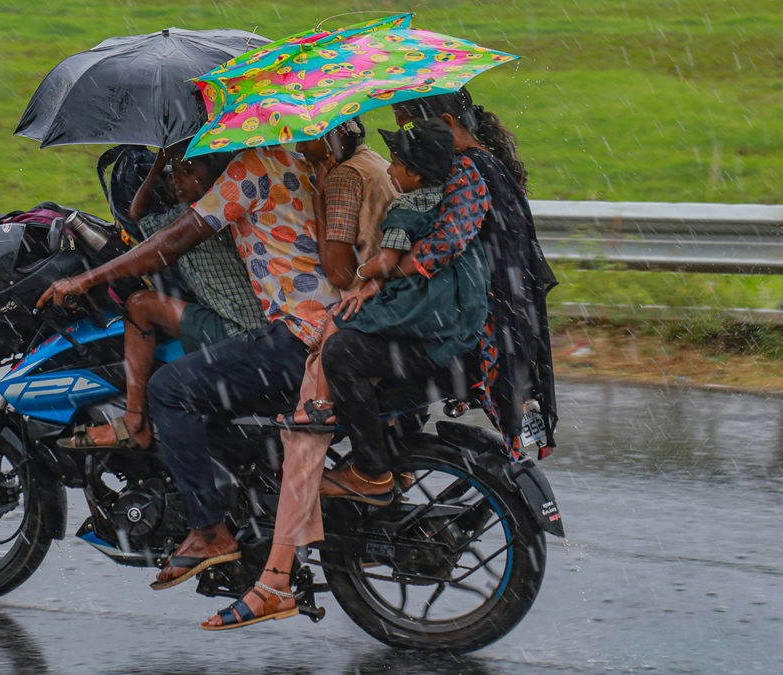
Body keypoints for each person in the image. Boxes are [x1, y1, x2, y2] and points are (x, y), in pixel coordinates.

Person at [36, 144, 340, 618]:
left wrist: (88, 280)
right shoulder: (289, 157)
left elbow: (172, 242)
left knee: (169, 390)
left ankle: (210, 531)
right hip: (327, 325)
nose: (179, 174)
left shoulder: (248, 171)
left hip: (296, 335)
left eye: (187, 164)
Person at [203, 120, 398, 630]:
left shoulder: (340, 180)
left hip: (357, 312)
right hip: (393, 310)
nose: (296, 143)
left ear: (332, 137)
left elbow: (336, 269)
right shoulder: (372, 162)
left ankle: (274, 582)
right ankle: (372, 528)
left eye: (307, 136)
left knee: (303, 439)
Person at [317, 119, 493, 500]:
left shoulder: (405, 207)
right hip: (461, 316)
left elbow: (382, 262)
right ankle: (399, 453)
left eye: (395, 163)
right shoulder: (457, 197)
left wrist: (364, 273)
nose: (390, 170)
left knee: (340, 348)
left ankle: (370, 469)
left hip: (427, 316)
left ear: (413, 174)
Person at [62, 142, 267, 449]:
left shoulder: (206, 217)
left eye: (186, 172)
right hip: (241, 323)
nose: (176, 180)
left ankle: (134, 419)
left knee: (139, 306)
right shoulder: (202, 211)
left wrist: (86, 280)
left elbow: (153, 237)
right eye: (174, 174)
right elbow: (138, 214)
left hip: (238, 329)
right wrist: (161, 165)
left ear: (215, 178)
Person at [391, 89, 559, 462]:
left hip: (490, 319)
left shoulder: (468, 168)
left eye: (413, 130)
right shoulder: (490, 162)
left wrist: (388, 270)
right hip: (511, 309)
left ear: (447, 124)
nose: (414, 143)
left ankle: (376, 469)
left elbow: (446, 242)